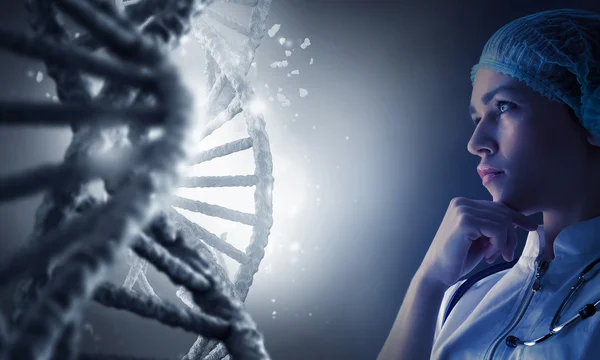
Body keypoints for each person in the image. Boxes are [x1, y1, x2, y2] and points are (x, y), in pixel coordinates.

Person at [378, 8, 600, 360]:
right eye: (477, 118)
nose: (476, 141)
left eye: (504, 106)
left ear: (591, 110)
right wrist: (429, 282)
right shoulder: (463, 298)